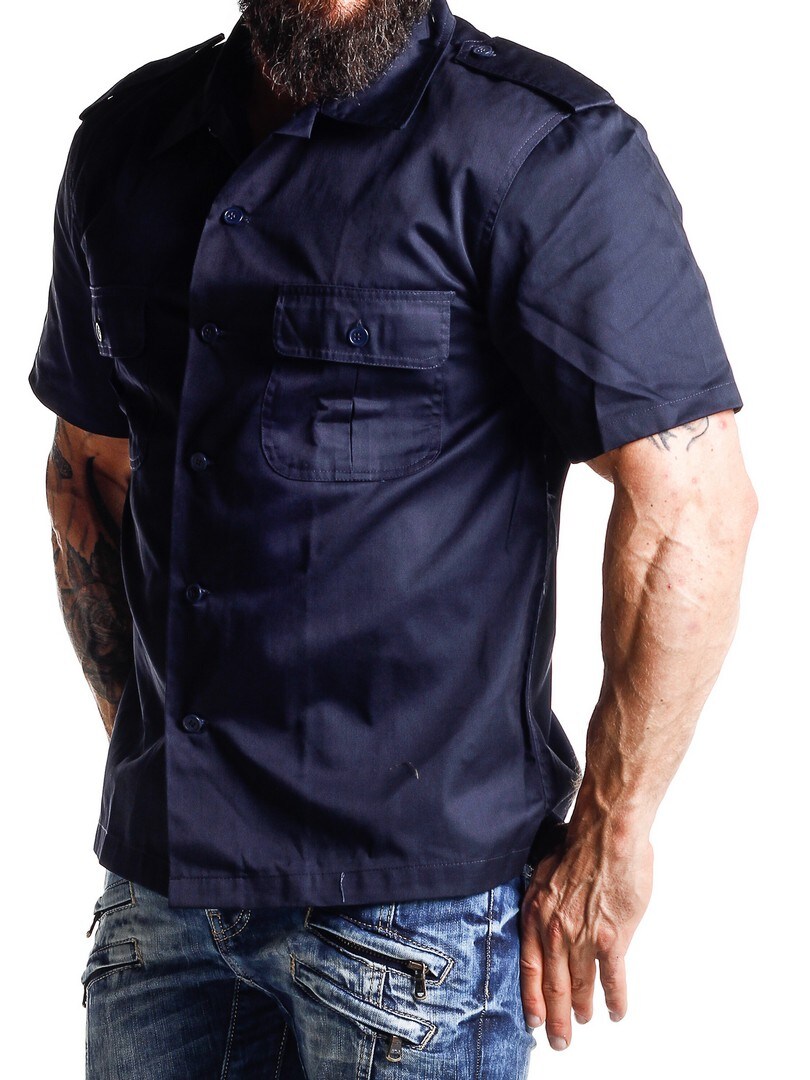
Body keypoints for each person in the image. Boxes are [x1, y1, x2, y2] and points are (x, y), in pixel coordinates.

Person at [29, 0, 757, 1075]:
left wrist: (613, 829)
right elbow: (88, 469)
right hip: (161, 906)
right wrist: (154, 754)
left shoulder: (542, 150)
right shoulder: (124, 145)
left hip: (415, 926)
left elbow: (692, 500)